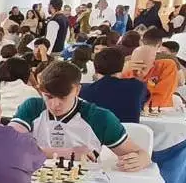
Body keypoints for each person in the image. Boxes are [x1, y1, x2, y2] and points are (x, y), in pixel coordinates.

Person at [10, 60, 150, 170]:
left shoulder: (100, 118)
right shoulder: (32, 107)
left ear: (77, 90)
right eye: (49, 96)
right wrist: (69, 153)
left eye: (63, 97)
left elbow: (141, 154)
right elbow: (8, 144)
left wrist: (140, 160)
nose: (55, 104)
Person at [79, 47, 150, 124]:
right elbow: (144, 100)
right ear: (122, 66)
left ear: (95, 67)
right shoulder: (137, 87)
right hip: (128, 131)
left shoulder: (82, 90)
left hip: (93, 131)